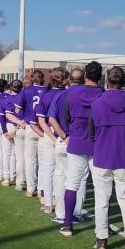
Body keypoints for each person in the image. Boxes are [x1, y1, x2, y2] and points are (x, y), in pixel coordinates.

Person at [89, 66, 125, 249]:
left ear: (107, 81)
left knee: (101, 200)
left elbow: (91, 133)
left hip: (102, 156)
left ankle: (101, 240)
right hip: (124, 156)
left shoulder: (97, 103)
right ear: (123, 82)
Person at [59, 61, 104, 237]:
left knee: (72, 184)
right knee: (101, 187)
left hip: (76, 142)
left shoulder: (72, 92)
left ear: (86, 75)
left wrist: (68, 135)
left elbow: (65, 117)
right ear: (100, 77)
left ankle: (67, 224)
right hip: (97, 144)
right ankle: (101, 229)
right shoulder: (103, 94)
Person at [48, 68, 89, 224]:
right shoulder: (86, 95)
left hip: (62, 140)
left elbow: (51, 119)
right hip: (80, 142)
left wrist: (64, 136)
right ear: (84, 79)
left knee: (61, 176)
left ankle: (60, 214)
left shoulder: (60, 95)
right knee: (80, 179)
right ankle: (76, 213)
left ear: (70, 80)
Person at [35, 67, 69, 214]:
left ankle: (49, 204)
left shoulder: (46, 95)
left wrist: (53, 138)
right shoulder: (67, 94)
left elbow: (41, 121)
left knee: (48, 170)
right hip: (66, 136)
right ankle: (60, 203)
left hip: (50, 136)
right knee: (63, 173)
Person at [13, 70, 48, 198]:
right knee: (44, 161)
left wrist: (24, 116)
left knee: (30, 159)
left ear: (32, 79)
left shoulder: (26, 90)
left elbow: (16, 109)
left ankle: (30, 188)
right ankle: (41, 190)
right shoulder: (47, 91)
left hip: (29, 126)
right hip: (44, 127)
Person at [1, 80, 23, 187]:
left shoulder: (7, 98)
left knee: (7, 154)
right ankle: (14, 177)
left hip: (10, 125)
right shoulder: (23, 98)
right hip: (20, 126)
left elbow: (2, 116)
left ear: (11, 87)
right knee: (17, 155)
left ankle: (7, 178)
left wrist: (4, 130)